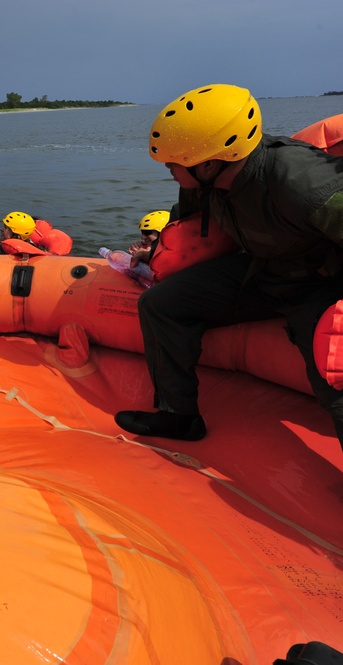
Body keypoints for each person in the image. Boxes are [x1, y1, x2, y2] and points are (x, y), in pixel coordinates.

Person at [114, 83, 343, 443]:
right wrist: (152, 252)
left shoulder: (301, 182)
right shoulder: (200, 179)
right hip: (263, 270)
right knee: (161, 305)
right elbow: (185, 226)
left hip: (319, 284)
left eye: (175, 163)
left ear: (209, 162)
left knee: (335, 374)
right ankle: (179, 417)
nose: (170, 170)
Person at [0, 211, 73, 255]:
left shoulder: (7, 249)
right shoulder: (37, 247)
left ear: (17, 234)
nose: (1, 229)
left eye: (6, 228)